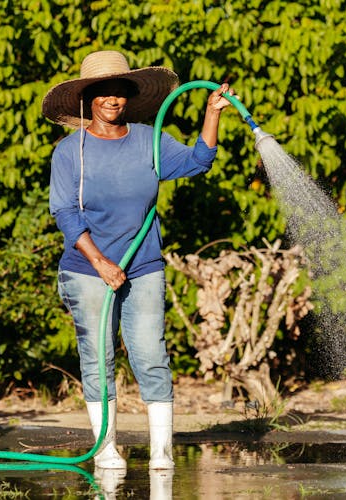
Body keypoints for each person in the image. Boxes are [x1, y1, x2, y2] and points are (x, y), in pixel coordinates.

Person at [42, 50, 235, 471]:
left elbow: (198, 161)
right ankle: (106, 450)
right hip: (88, 270)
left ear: (129, 95)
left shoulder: (149, 138)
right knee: (98, 356)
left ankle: (162, 452)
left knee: (150, 354)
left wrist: (212, 113)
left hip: (143, 265)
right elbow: (66, 215)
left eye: (120, 91)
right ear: (87, 98)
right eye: (103, 92)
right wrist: (101, 263)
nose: (113, 99)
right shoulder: (69, 152)